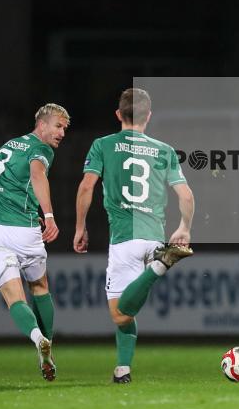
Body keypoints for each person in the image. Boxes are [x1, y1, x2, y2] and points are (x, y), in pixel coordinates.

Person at [73, 88, 195, 384]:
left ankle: (158, 267)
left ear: (118, 115)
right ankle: (122, 369)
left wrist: (80, 227)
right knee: (127, 313)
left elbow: (87, 187)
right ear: (148, 116)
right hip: (153, 236)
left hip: (125, 237)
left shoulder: (103, 145)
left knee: (119, 314)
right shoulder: (164, 150)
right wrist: (185, 228)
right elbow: (186, 195)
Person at [0, 103, 70, 381]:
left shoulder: (10, 144)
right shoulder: (42, 150)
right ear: (41, 125)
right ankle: (48, 345)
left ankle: (37, 337)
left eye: (65, 128)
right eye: (58, 126)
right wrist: (49, 215)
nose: (62, 133)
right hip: (23, 230)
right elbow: (37, 175)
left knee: (13, 297)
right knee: (39, 287)